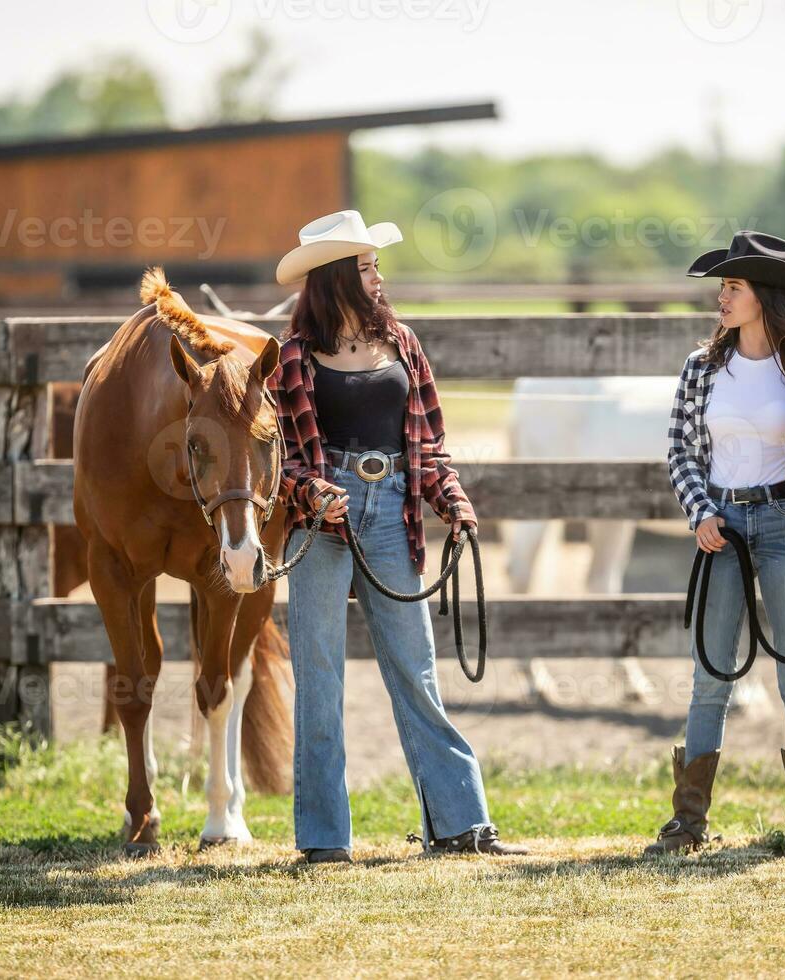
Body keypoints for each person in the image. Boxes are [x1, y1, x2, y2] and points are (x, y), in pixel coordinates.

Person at [270, 210, 528, 863]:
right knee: (321, 678)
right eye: (365, 265)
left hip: (393, 510)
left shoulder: (403, 344)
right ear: (336, 278)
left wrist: (456, 504)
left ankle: (460, 824)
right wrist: (311, 492)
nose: (377, 275)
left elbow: (430, 444)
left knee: (416, 670)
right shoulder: (295, 356)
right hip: (321, 524)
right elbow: (280, 462)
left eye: (374, 263)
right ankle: (325, 839)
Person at [648, 231, 785, 858]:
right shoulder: (702, 368)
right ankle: (688, 820)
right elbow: (680, 450)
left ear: (764, 297)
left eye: (733, 287)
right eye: (722, 287)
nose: (721, 298)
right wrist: (700, 510)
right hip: (721, 527)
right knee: (710, 675)